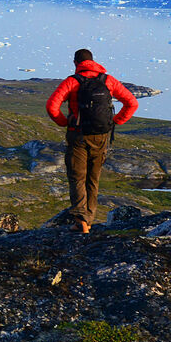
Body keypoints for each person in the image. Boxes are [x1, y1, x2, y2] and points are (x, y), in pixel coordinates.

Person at [46, 48, 138, 233]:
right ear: (93, 61)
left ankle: (81, 220)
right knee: (93, 178)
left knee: (77, 177)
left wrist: (65, 122)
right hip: (101, 136)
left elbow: (52, 106)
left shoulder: (72, 81)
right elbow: (132, 103)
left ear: (76, 63)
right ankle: (88, 220)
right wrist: (115, 121)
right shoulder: (108, 80)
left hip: (78, 135)